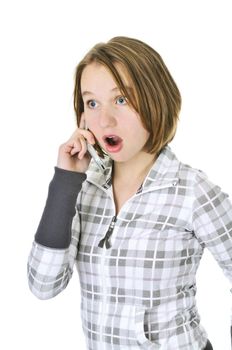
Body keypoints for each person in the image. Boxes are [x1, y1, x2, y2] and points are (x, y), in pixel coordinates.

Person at [27, 36, 231, 350]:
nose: (104, 119)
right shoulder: (83, 189)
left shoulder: (191, 190)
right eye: (92, 103)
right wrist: (66, 180)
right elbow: (43, 284)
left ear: (155, 100)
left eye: (121, 99)